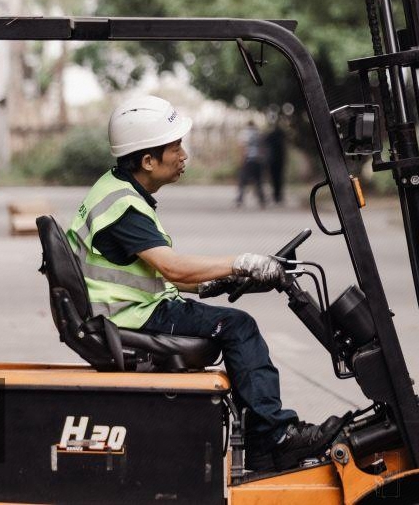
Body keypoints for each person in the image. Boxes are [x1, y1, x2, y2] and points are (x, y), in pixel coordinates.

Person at [67, 96, 338, 471]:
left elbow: (151, 271)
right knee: (238, 327)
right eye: (175, 147)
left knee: (231, 320)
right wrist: (240, 261)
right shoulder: (123, 207)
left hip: (128, 310)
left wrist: (219, 280)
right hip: (130, 317)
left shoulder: (118, 190)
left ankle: (266, 437)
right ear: (148, 161)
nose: (184, 155)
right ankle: (273, 438)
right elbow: (174, 269)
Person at [235, 120, 268, 208]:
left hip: (247, 159)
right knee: (259, 181)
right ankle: (262, 200)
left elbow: (242, 147)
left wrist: (241, 159)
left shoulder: (243, 134)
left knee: (242, 181)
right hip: (257, 160)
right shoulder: (259, 134)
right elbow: (262, 148)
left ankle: (240, 199)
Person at [264, 120, 287, 206]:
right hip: (280, 160)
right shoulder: (282, 135)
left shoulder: (271, 135)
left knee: (274, 179)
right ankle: (278, 196)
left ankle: (276, 196)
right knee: (279, 179)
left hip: (272, 160)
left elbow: (265, 141)